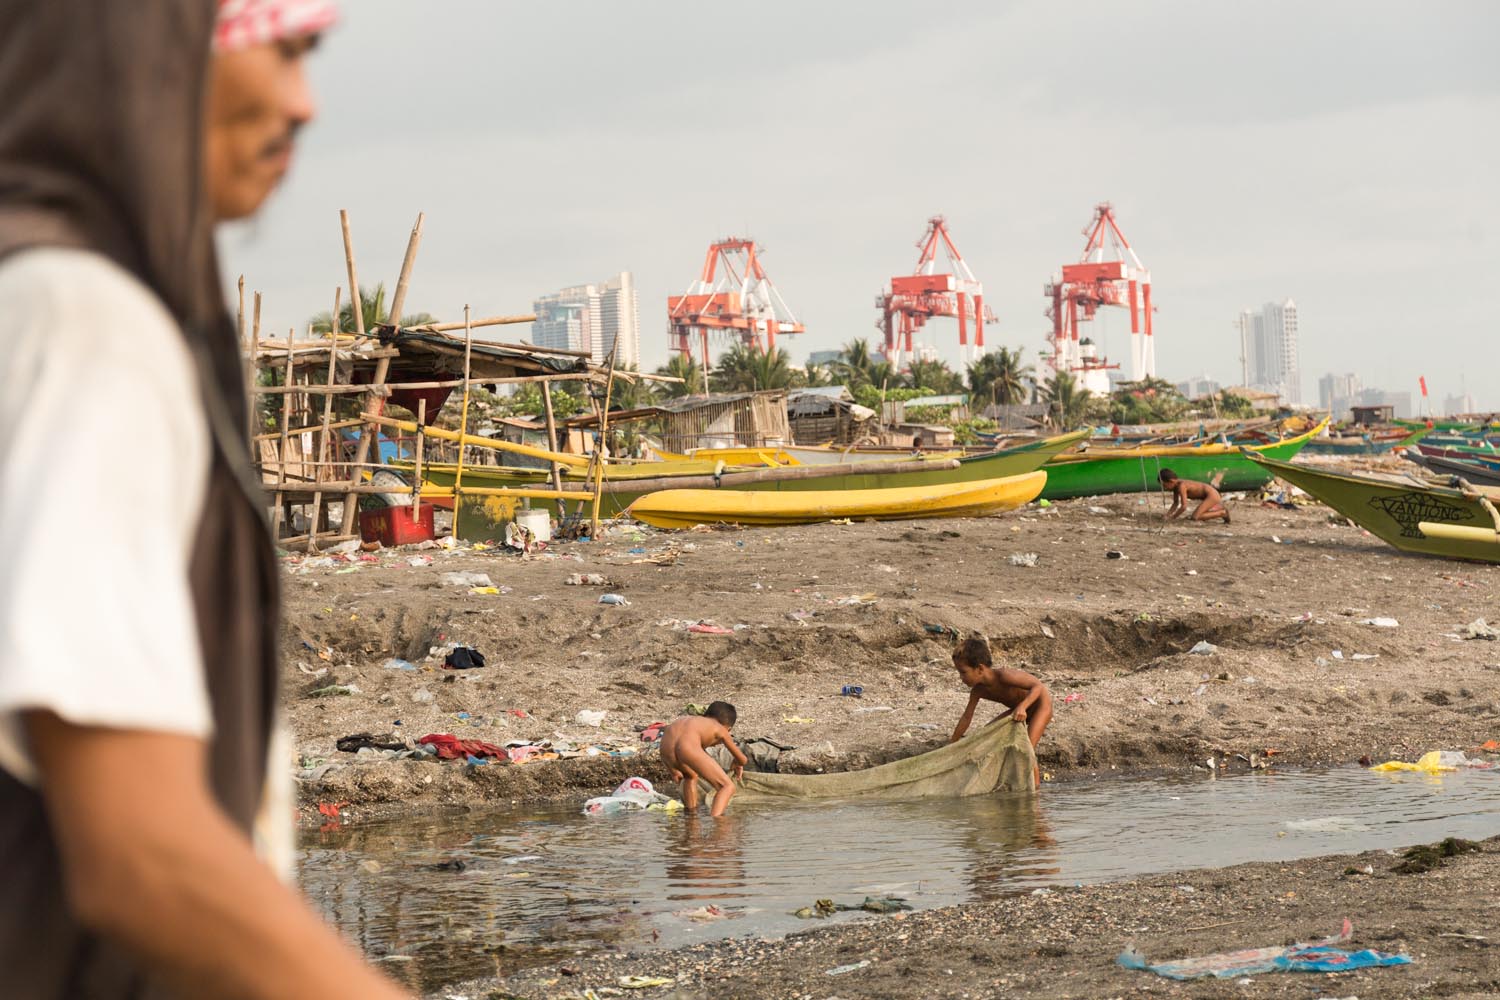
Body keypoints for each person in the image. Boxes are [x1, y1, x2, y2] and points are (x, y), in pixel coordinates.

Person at [0, 2, 409, 998]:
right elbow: (140, 853)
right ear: (146, 55)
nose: (304, 103)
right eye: (283, 49)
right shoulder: (85, 323)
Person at [949, 637, 1051, 789]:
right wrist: (953, 744)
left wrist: (1023, 706)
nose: (961, 678)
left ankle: (1035, 792)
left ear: (980, 668)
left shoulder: (1004, 676)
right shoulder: (978, 691)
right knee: (988, 733)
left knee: (1028, 748)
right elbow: (966, 717)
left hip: (1040, 706)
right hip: (1018, 711)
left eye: (964, 672)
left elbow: (1038, 687)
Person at [660, 702, 747, 817]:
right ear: (728, 728)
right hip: (687, 748)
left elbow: (673, 741)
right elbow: (743, 759)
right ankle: (718, 823)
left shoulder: (689, 720)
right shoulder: (720, 728)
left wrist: (673, 770)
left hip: (665, 748)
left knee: (690, 776)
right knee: (726, 786)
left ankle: (691, 818)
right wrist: (738, 763)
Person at [1158, 467, 1230, 523]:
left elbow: (1184, 506)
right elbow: (1175, 503)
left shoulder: (1181, 486)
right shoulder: (1175, 487)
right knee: (1196, 515)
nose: (1165, 488)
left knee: (1195, 517)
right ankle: (1220, 511)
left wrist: (1173, 517)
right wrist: (1167, 515)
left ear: (1171, 481)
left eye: (1165, 485)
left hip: (1212, 495)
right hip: (1208, 496)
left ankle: (1222, 513)